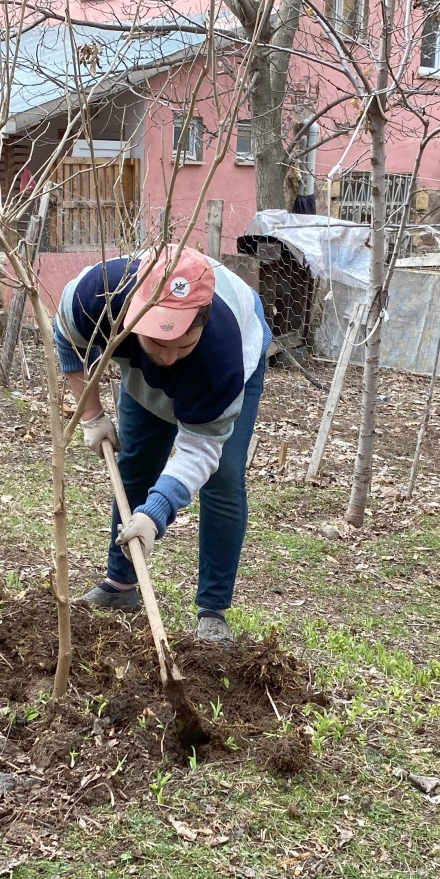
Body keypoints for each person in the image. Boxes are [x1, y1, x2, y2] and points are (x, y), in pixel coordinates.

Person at [54, 244, 270, 643]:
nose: (169, 357)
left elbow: (200, 448)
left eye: (182, 345)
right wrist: (92, 414)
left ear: (202, 325)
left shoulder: (223, 358)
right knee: (137, 461)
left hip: (216, 373)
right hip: (140, 368)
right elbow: (67, 336)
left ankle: (213, 610)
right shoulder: (98, 296)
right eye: (158, 342)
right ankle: (121, 585)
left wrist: (155, 515)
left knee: (222, 480)